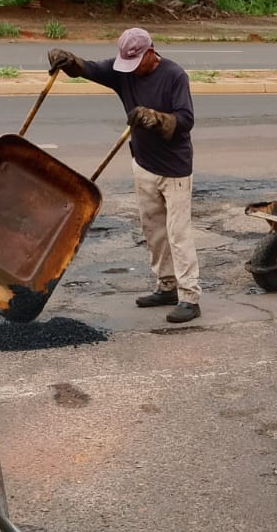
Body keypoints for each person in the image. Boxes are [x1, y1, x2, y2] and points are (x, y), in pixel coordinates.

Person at [47, 27, 200, 324]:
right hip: (143, 164)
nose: (131, 69)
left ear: (151, 53)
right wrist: (69, 61)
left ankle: (190, 297)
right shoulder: (124, 71)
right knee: (153, 230)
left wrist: (156, 118)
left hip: (175, 169)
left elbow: (186, 119)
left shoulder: (174, 75)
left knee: (178, 234)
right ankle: (167, 286)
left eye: (137, 62)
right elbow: (89, 69)